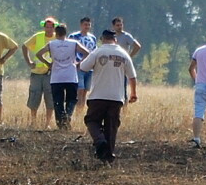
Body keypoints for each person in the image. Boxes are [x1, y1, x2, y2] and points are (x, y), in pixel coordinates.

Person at [78, 28, 138, 161]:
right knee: (111, 126)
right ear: (115, 40)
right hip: (116, 97)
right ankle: (108, 155)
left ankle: (99, 141)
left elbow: (83, 67)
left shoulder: (98, 51)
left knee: (92, 120)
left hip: (98, 96)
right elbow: (132, 77)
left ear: (102, 39)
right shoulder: (124, 54)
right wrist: (133, 93)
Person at [21, 17, 56, 127]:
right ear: (44, 27)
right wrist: (29, 62)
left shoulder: (57, 38)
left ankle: (47, 123)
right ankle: (33, 122)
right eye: (47, 27)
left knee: (50, 98)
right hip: (36, 72)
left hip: (51, 73)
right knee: (34, 97)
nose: (48, 29)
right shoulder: (38, 36)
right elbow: (24, 46)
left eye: (51, 27)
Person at [45, 23, 82, 129]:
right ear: (66, 33)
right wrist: (79, 63)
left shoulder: (51, 44)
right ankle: (67, 116)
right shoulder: (73, 43)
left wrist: (48, 63)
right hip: (71, 76)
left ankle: (61, 123)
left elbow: (39, 54)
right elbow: (87, 52)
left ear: (56, 33)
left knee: (58, 101)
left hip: (56, 77)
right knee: (72, 99)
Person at [70, 17, 98, 113]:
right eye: (85, 24)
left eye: (88, 25)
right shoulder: (74, 36)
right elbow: (69, 50)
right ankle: (76, 111)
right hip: (78, 67)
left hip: (89, 69)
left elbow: (94, 51)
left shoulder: (92, 38)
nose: (87, 26)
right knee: (80, 90)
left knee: (85, 92)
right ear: (81, 25)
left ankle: (80, 112)